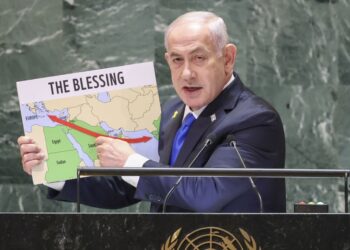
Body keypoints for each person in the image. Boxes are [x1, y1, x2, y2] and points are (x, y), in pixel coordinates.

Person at [18, 11, 286, 213]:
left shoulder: (254, 119)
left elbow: (209, 193)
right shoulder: (172, 111)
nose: (187, 73)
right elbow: (125, 187)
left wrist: (130, 163)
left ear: (227, 58)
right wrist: (51, 171)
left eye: (199, 58)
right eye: (177, 60)